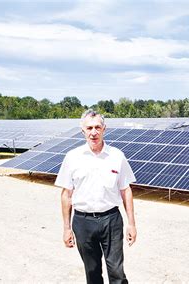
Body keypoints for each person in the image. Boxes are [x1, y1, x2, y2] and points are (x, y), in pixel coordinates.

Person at [55, 109, 137, 284]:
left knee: (116, 271)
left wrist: (131, 224)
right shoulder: (72, 157)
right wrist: (66, 228)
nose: (94, 132)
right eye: (89, 128)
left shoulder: (117, 156)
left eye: (97, 127)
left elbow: (125, 190)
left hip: (111, 220)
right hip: (83, 222)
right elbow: (66, 194)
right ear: (82, 131)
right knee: (92, 272)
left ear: (104, 129)